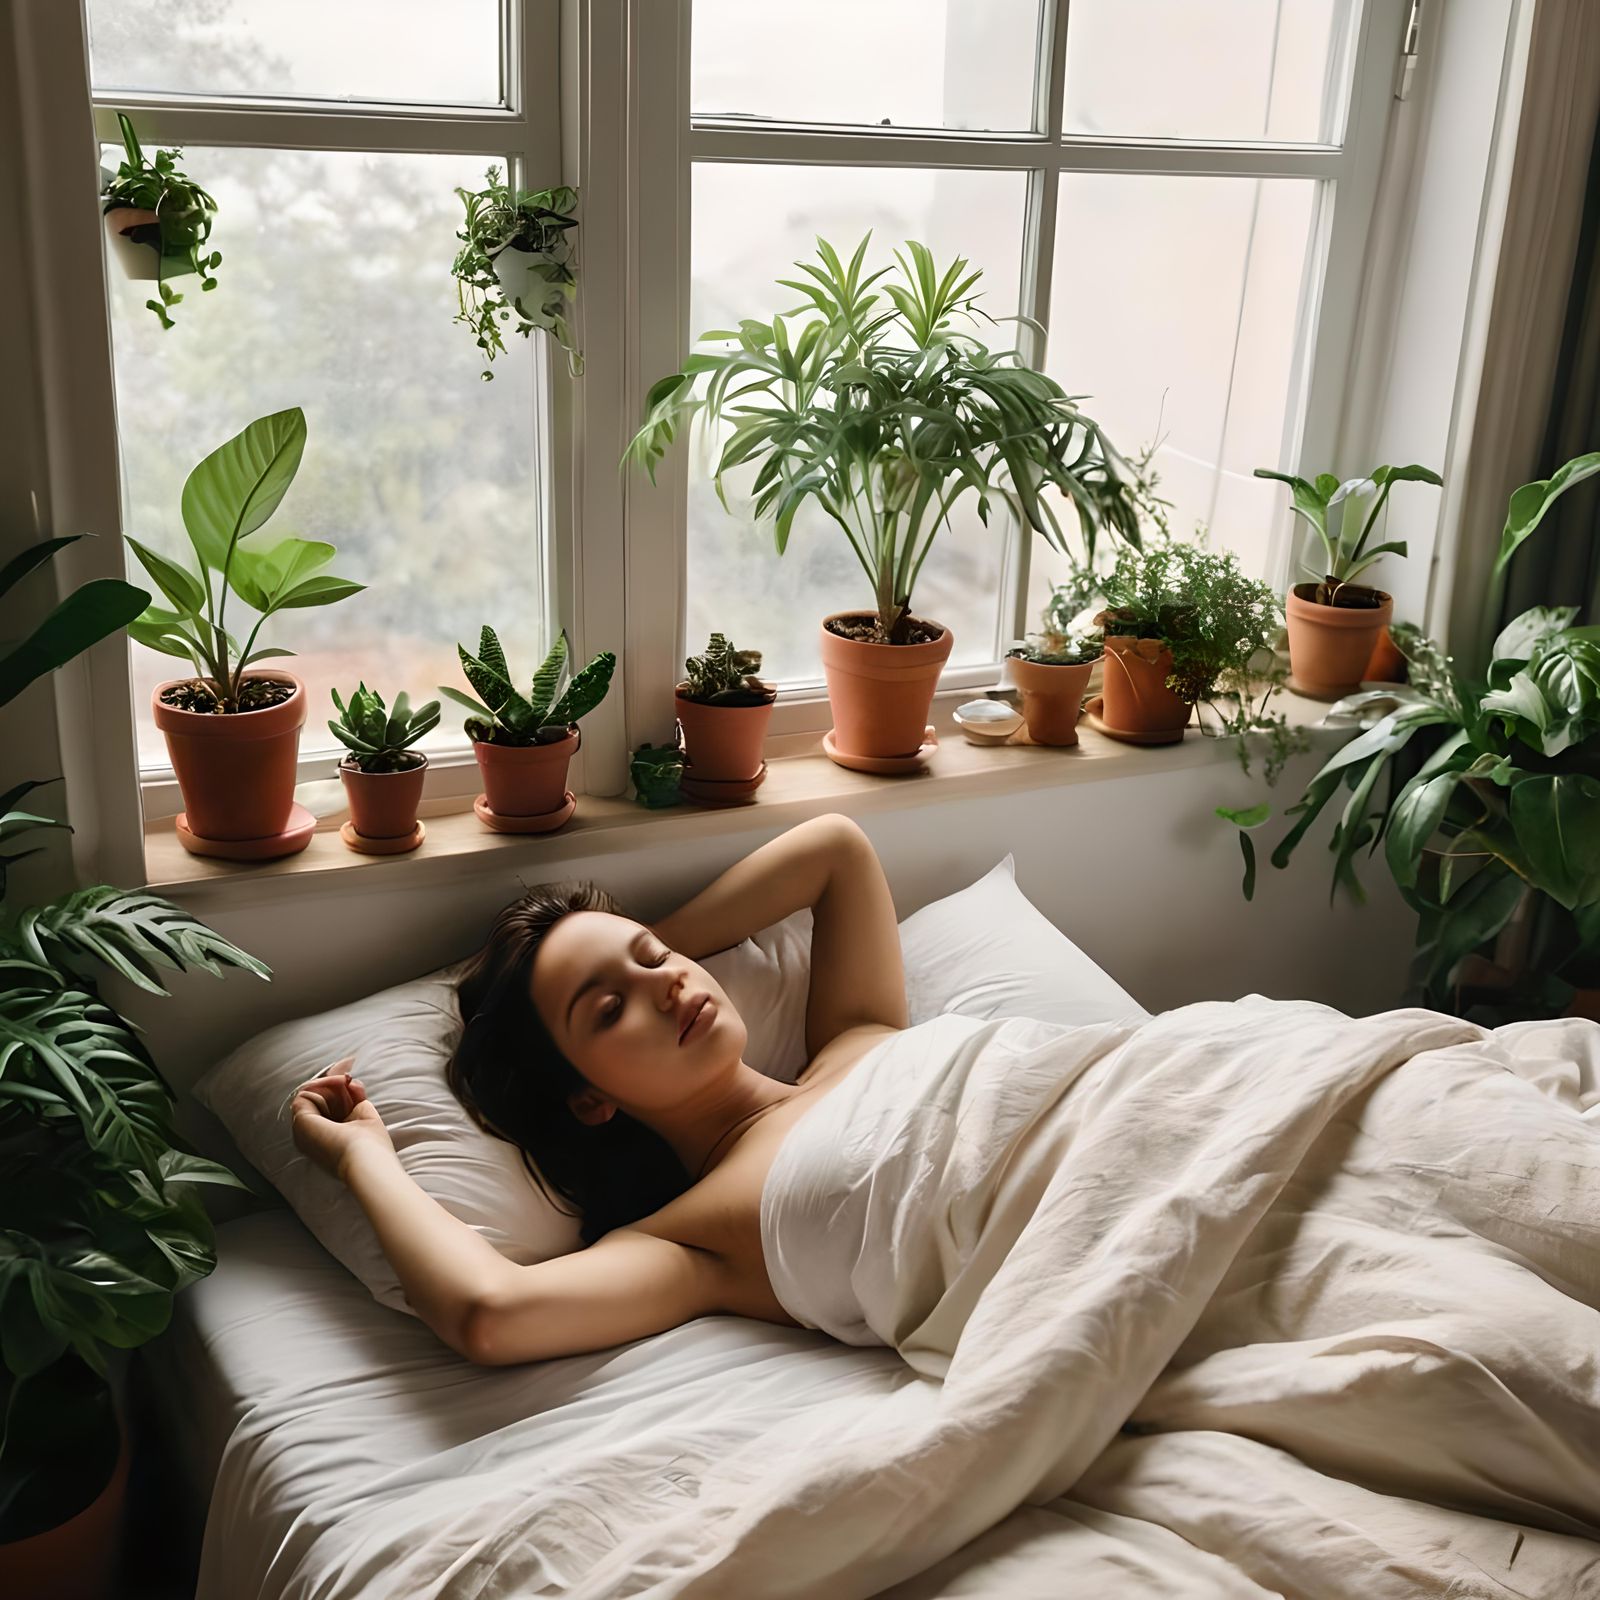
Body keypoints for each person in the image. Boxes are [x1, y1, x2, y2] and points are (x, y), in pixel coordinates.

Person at [288, 812, 908, 1366]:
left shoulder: (858, 1036)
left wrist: (618, 951)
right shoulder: (694, 1240)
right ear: (589, 1098)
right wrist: (360, 1156)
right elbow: (490, 1314)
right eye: (610, 1009)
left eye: (658, 958)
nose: (666, 985)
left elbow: (836, 847)